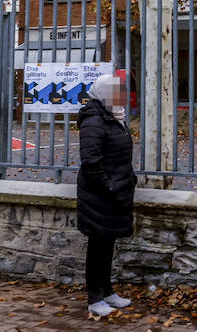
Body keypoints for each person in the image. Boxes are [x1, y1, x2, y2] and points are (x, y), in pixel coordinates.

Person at [75, 72, 137, 318]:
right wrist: (109, 186)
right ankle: (94, 298)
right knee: (98, 246)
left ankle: (107, 291)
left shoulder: (115, 116)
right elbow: (91, 161)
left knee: (108, 243)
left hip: (114, 192)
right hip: (99, 194)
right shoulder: (94, 119)